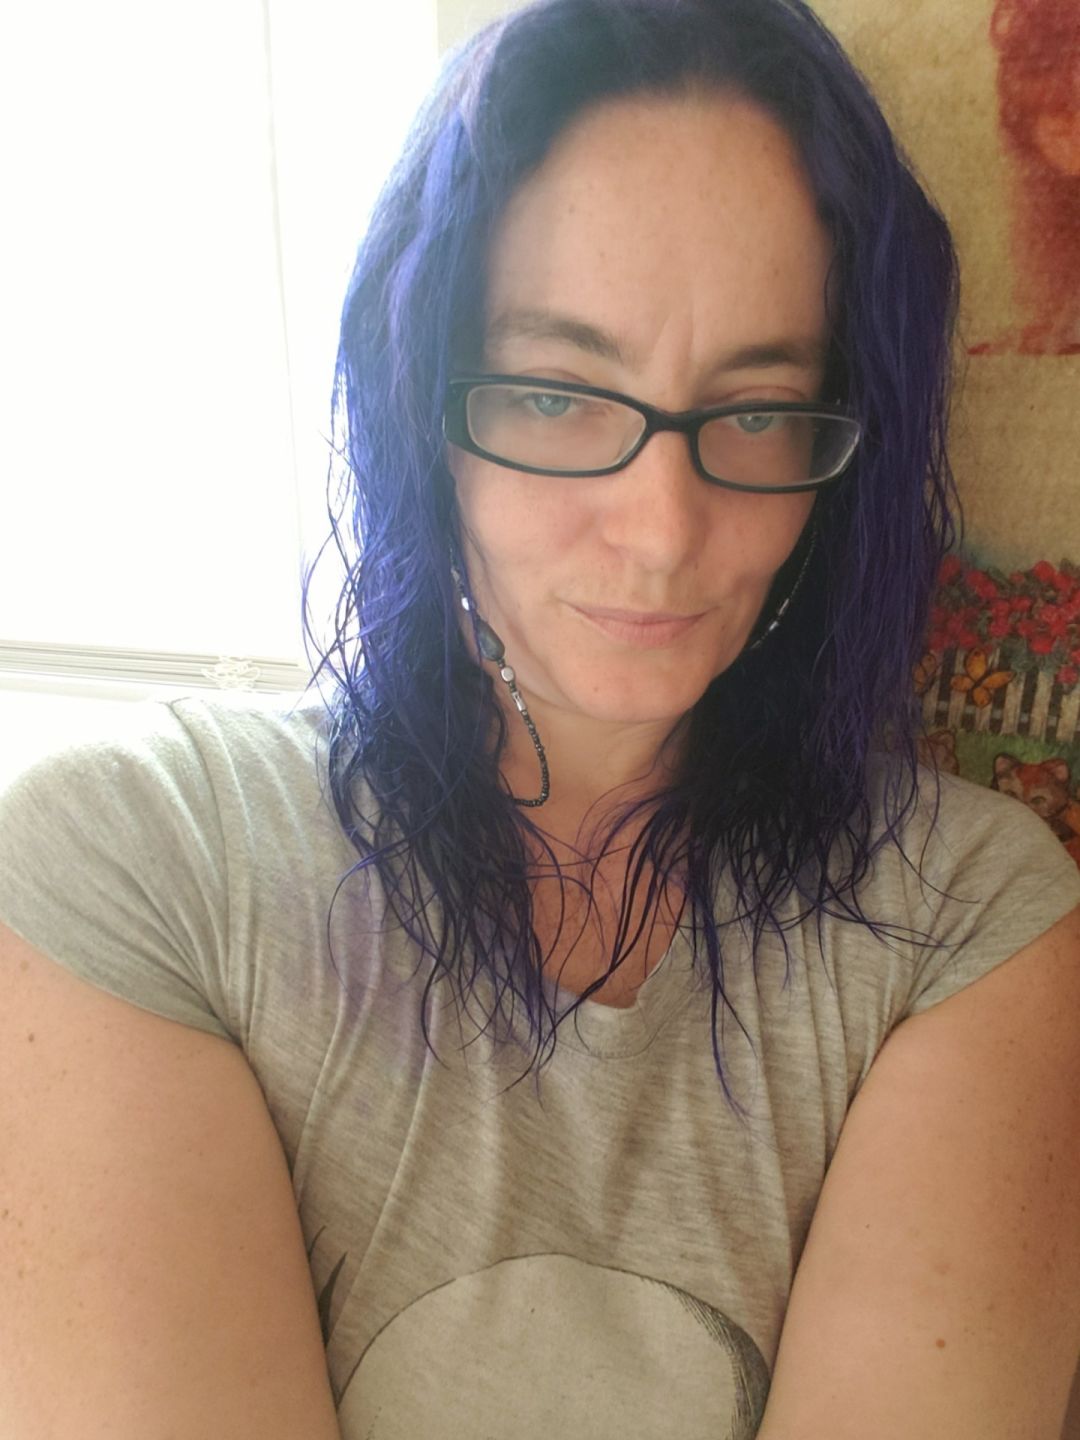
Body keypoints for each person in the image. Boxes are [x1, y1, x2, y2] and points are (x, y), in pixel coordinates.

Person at [2, 1, 1079, 1436]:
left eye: (758, 410)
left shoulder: (967, 923)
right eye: (560, 396)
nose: (663, 530)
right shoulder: (136, 868)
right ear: (421, 400)